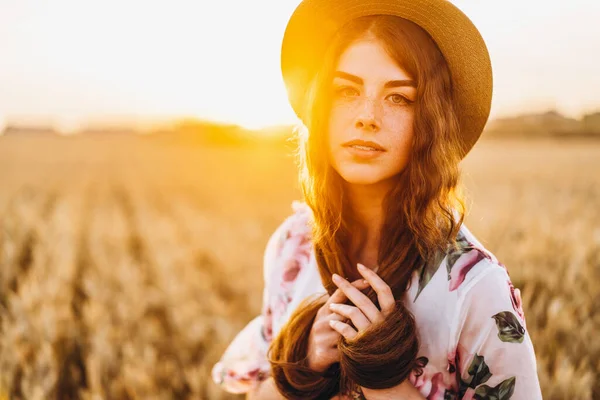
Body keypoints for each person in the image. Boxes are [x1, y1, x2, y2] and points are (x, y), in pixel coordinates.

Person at [212, 0, 543, 399]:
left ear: (430, 121)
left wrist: (386, 379)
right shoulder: (291, 246)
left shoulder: (476, 287)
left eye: (399, 97)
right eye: (346, 90)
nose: (367, 116)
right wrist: (302, 368)